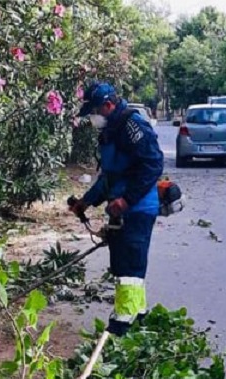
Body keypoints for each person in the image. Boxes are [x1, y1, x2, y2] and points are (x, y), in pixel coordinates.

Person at [70, 81, 163, 336]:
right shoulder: (111, 131)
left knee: (130, 267)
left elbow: (153, 164)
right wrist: (86, 201)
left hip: (138, 209)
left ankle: (123, 323)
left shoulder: (132, 126)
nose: (93, 119)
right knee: (122, 264)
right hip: (120, 210)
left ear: (108, 106)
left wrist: (126, 200)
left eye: (94, 113)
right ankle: (138, 314)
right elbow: (108, 177)